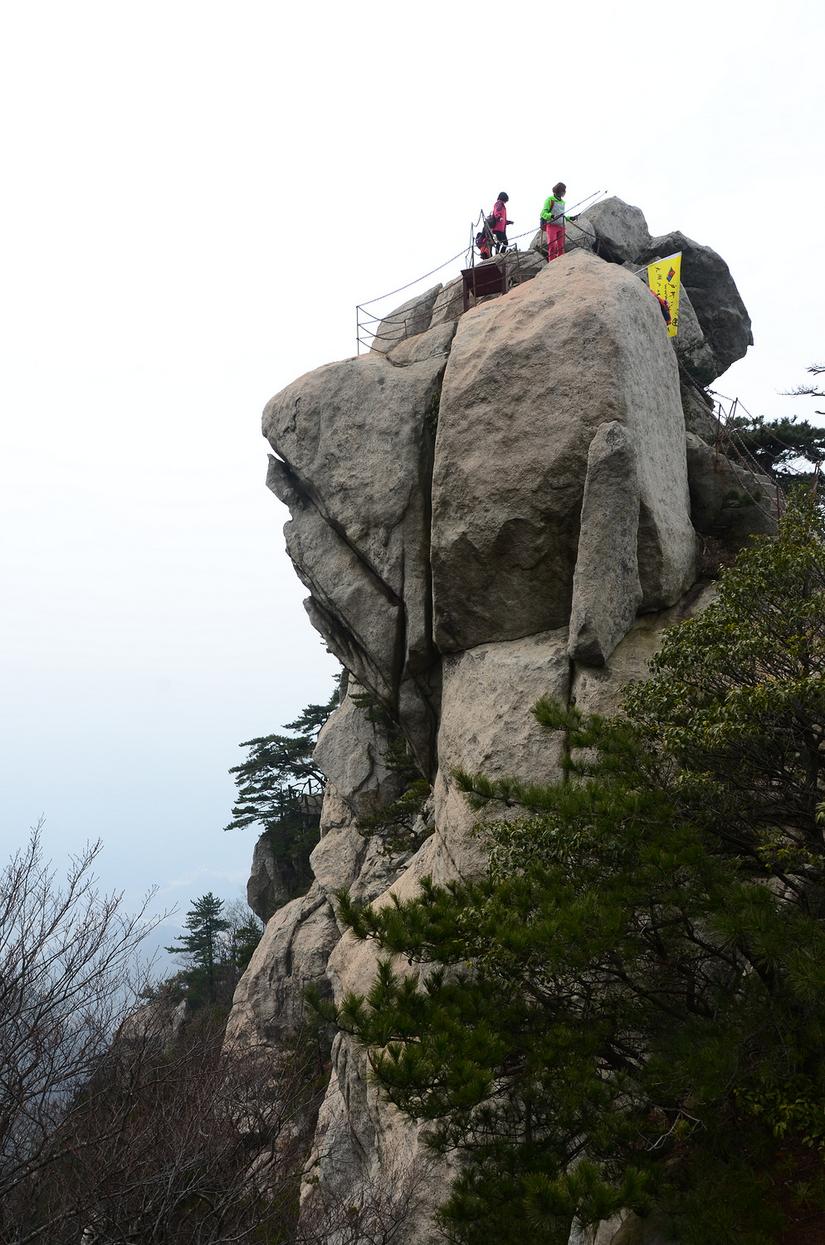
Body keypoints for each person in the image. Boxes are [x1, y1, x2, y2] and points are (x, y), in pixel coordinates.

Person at [540, 182, 567, 262]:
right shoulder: (550, 200)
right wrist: (551, 216)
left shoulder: (563, 202)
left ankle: (560, 262)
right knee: (552, 246)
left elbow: (562, 216)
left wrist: (571, 218)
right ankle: (552, 263)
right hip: (551, 225)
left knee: (561, 246)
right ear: (559, 191)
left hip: (561, 226)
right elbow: (543, 213)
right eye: (563, 190)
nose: (565, 192)